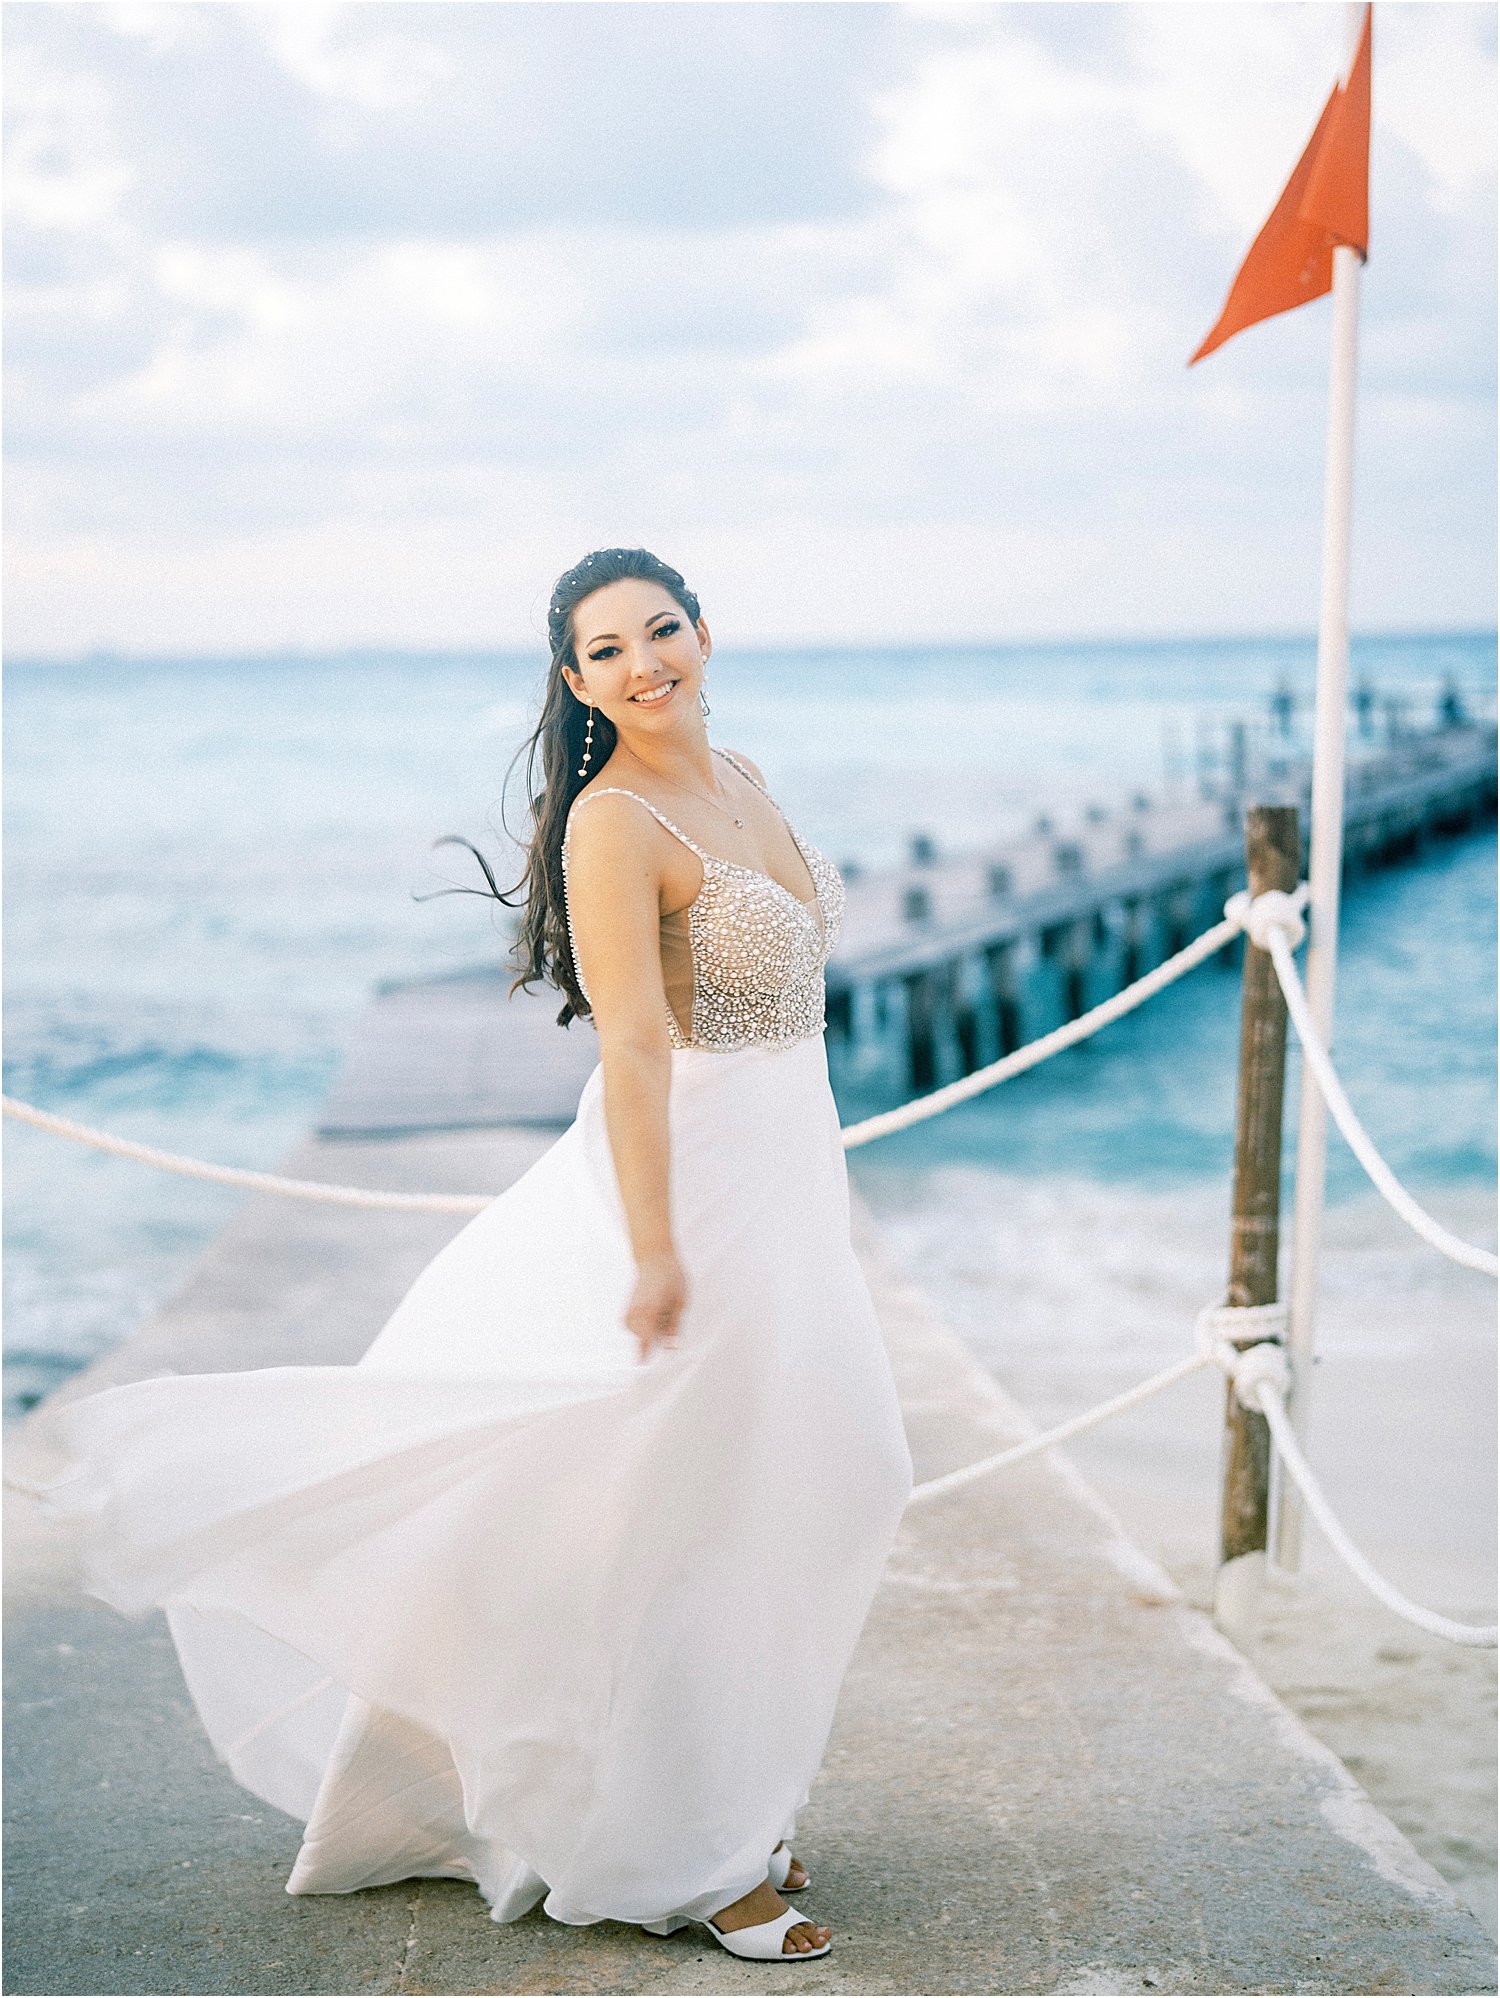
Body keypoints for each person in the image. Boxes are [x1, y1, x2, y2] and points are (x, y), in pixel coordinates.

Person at [28, 545, 914, 1964]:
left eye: (660, 629)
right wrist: (653, 1248)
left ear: (705, 632)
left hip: (791, 1175)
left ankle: (740, 1798)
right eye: (606, 650)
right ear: (575, 683)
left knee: (840, 1468)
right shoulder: (614, 825)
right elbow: (632, 1043)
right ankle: (691, 1855)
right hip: (690, 1187)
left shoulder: (744, 774)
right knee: (687, 1516)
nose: (643, 663)